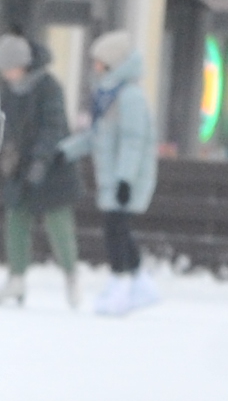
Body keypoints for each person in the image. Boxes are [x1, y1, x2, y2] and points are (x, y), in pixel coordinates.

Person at [65, 27, 161, 316]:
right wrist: (65, 150)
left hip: (125, 179)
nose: (94, 67)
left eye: (99, 61)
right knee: (119, 230)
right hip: (112, 178)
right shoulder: (107, 95)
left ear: (112, 63)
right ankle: (139, 283)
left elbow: (134, 140)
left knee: (116, 231)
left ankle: (121, 284)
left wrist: (125, 179)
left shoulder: (129, 97)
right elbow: (96, 136)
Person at [0, 30, 83, 306]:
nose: (5, 74)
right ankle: (16, 278)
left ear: (23, 65)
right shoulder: (7, 90)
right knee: (16, 219)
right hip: (21, 167)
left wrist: (41, 160)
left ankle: (71, 277)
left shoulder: (49, 86)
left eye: (9, 68)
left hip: (53, 168)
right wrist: (7, 150)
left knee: (59, 226)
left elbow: (54, 127)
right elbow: (5, 124)